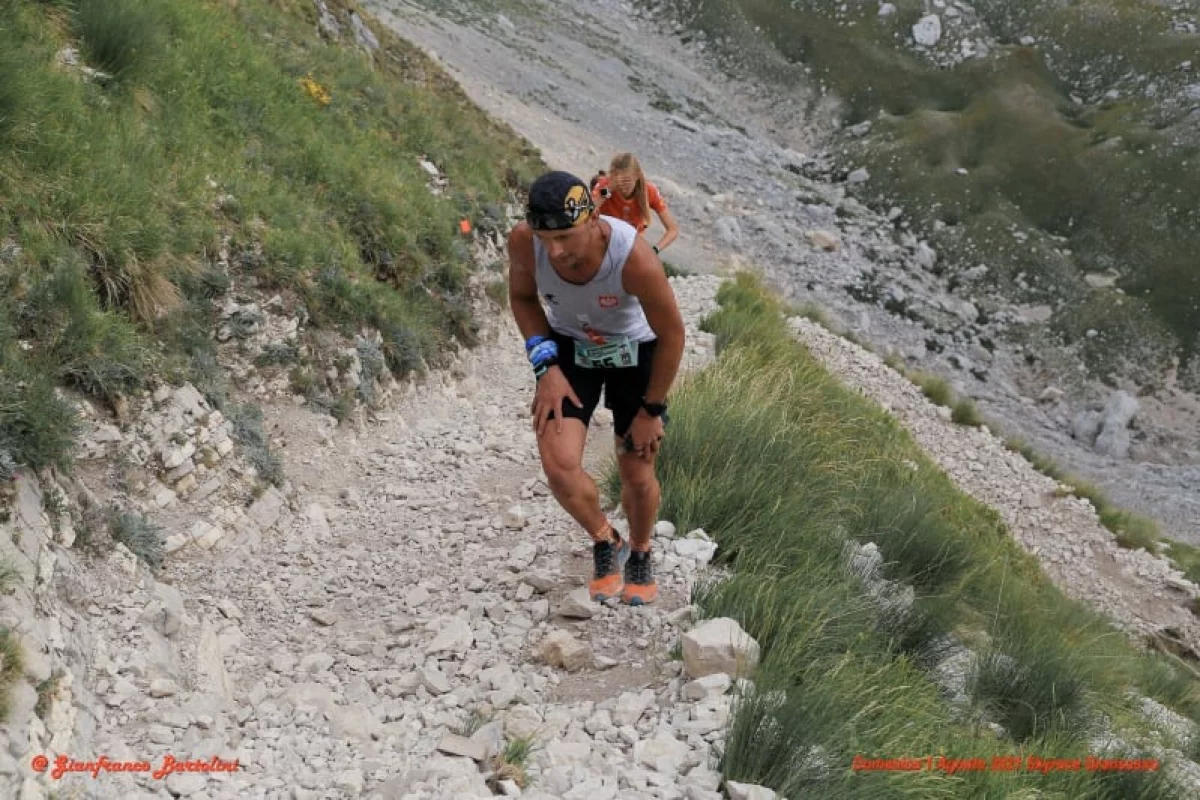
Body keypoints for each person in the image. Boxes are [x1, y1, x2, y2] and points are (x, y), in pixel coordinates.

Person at [506, 171, 686, 606]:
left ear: (592, 220)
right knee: (558, 464)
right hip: (570, 346)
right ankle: (608, 540)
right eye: (544, 237)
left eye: (566, 236)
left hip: (636, 349)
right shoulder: (522, 242)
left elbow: (673, 334)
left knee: (636, 469)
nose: (555, 251)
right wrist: (545, 367)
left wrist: (651, 411)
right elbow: (524, 299)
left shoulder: (633, 257)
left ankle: (641, 551)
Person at [590, 153, 680, 258]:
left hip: (630, 244)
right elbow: (586, 213)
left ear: (637, 176)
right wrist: (608, 189)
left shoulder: (649, 191)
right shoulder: (604, 185)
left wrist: (655, 249)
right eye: (619, 183)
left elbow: (673, 230)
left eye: (627, 182)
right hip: (604, 237)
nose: (623, 189)